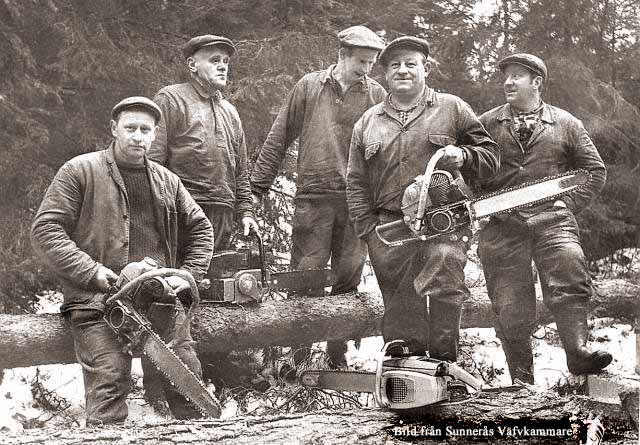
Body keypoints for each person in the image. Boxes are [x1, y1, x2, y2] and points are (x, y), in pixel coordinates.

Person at [31, 97, 214, 424]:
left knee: (188, 384)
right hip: (98, 301)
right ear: (114, 128)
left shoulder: (166, 180)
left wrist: (186, 276)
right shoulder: (80, 171)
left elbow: (200, 228)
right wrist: (92, 272)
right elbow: (46, 229)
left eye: (146, 130)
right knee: (111, 378)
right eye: (130, 128)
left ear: (156, 134)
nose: (138, 137)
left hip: (159, 299)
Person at [346, 37, 499, 361]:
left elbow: (490, 156)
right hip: (389, 226)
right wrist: (368, 231)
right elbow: (356, 181)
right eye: (394, 65)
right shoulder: (368, 121)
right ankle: (406, 369)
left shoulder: (452, 107)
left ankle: (444, 359)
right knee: (401, 310)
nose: (402, 71)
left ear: (425, 68)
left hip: (442, 220)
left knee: (445, 267)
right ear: (385, 73)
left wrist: (464, 155)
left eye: (410, 64)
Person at [250, 25, 386, 367]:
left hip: (356, 202)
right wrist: (256, 189)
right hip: (312, 198)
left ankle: (336, 355)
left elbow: (387, 151)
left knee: (347, 277)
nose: (366, 69)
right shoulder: (309, 86)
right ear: (341, 55)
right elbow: (278, 137)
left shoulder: (376, 95)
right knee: (305, 276)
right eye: (361, 61)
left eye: (372, 63)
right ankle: (299, 357)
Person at [477, 53, 611, 383]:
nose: (508, 82)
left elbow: (595, 171)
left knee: (569, 268)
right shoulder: (485, 124)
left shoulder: (566, 123)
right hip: (502, 227)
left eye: (517, 76)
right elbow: (470, 171)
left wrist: (568, 203)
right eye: (505, 76)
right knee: (510, 302)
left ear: (537, 82)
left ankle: (578, 353)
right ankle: (522, 380)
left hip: (553, 220)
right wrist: (476, 204)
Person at [148, 35, 258, 254]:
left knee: (215, 282)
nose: (222, 67)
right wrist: (162, 211)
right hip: (183, 211)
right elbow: (152, 163)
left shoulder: (231, 112)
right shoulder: (171, 98)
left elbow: (240, 173)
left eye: (226, 62)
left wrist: (246, 212)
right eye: (214, 60)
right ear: (192, 65)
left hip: (222, 213)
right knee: (180, 281)